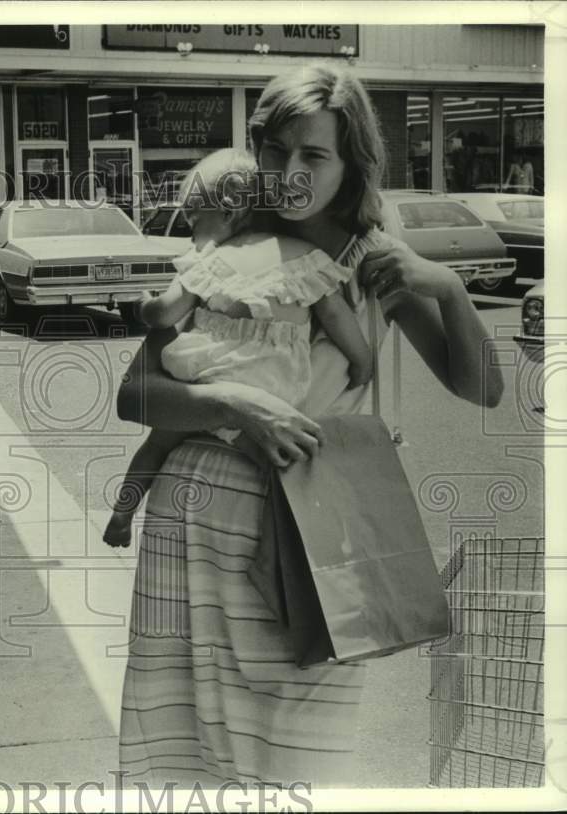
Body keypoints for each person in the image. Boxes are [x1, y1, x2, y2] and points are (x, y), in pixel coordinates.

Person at [116, 63, 503, 788]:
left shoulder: (373, 257)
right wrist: (237, 406)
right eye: (275, 150)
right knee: (179, 760)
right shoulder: (231, 235)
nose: (289, 172)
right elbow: (137, 393)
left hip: (317, 534)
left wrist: (446, 286)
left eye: (314, 155)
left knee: (301, 772)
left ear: (351, 160)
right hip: (195, 521)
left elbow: (481, 386)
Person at [103, 147, 371, 546]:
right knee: (275, 466)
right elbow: (336, 317)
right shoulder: (307, 260)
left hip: (208, 377)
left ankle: (123, 514)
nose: (190, 233)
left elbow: (163, 314)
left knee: (156, 444)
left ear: (228, 213)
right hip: (276, 387)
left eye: (194, 220)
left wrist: (141, 304)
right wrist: (362, 363)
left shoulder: (210, 262)